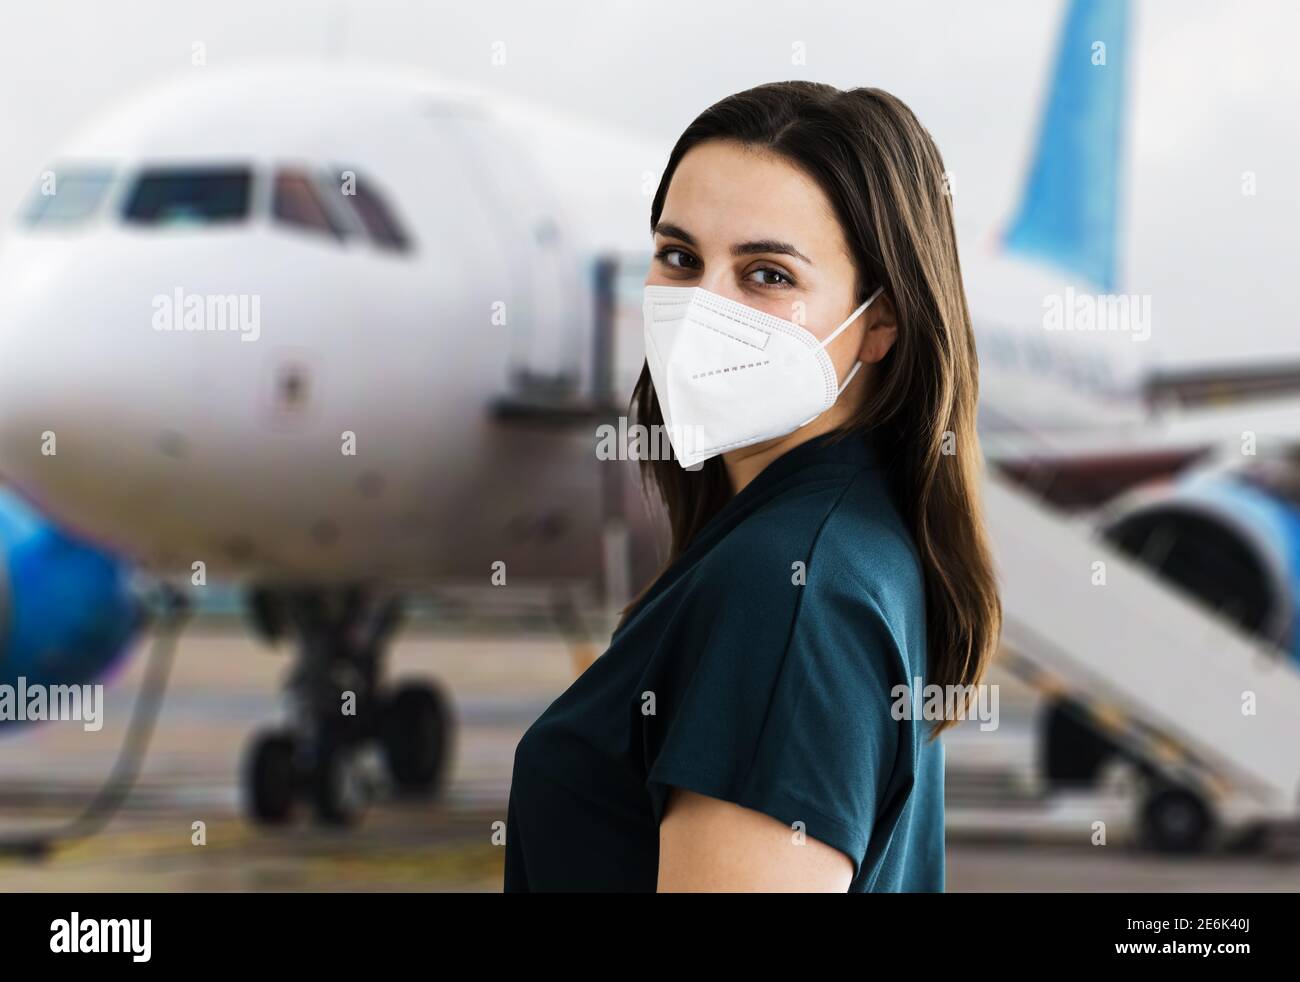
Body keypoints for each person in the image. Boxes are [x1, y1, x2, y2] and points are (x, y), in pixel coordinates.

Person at [504, 80, 1001, 892]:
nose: (704, 309)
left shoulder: (785, 588)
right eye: (679, 258)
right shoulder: (848, 545)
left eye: (767, 274)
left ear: (880, 322)